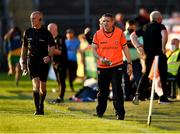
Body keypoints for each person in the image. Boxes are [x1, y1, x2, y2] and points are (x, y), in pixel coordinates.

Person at [92, 13, 133, 120]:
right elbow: (93, 49)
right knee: (102, 91)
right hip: (102, 66)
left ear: (113, 22)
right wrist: (101, 59)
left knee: (117, 89)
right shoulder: (98, 34)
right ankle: (100, 112)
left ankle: (120, 113)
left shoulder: (119, 33)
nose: (105, 23)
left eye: (108, 21)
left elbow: (125, 49)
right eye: (104, 21)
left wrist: (129, 63)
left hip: (117, 66)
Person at [130, 11, 171, 104]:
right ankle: (163, 97)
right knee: (163, 74)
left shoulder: (145, 27)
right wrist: (163, 47)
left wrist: (138, 46)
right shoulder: (161, 26)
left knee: (146, 74)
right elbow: (164, 34)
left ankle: (137, 94)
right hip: (159, 54)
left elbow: (133, 36)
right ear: (159, 19)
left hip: (148, 55)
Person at [20, 11, 55, 115]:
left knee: (43, 88)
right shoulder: (27, 32)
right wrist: (23, 62)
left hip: (43, 62)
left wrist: (49, 56)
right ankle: (38, 109)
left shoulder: (46, 33)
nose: (32, 20)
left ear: (40, 19)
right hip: (32, 61)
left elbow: (52, 46)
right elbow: (24, 48)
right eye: (31, 18)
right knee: (36, 84)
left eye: (34, 18)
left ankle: (41, 104)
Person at [123, 20, 144, 100]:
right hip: (125, 61)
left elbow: (141, 45)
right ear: (125, 26)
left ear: (134, 26)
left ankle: (139, 96)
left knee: (138, 79)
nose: (130, 28)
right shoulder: (122, 35)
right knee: (125, 80)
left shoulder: (138, 35)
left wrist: (128, 43)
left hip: (136, 60)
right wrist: (134, 43)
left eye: (132, 26)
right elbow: (122, 45)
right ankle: (127, 96)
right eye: (128, 26)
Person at [47, 23, 68, 103]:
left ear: (55, 29)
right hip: (54, 63)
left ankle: (61, 97)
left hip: (61, 62)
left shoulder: (60, 39)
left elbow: (59, 52)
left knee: (61, 80)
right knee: (58, 80)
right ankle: (59, 96)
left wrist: (48, 49)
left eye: (50, 29)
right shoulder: (50, 39)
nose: (48, 30)